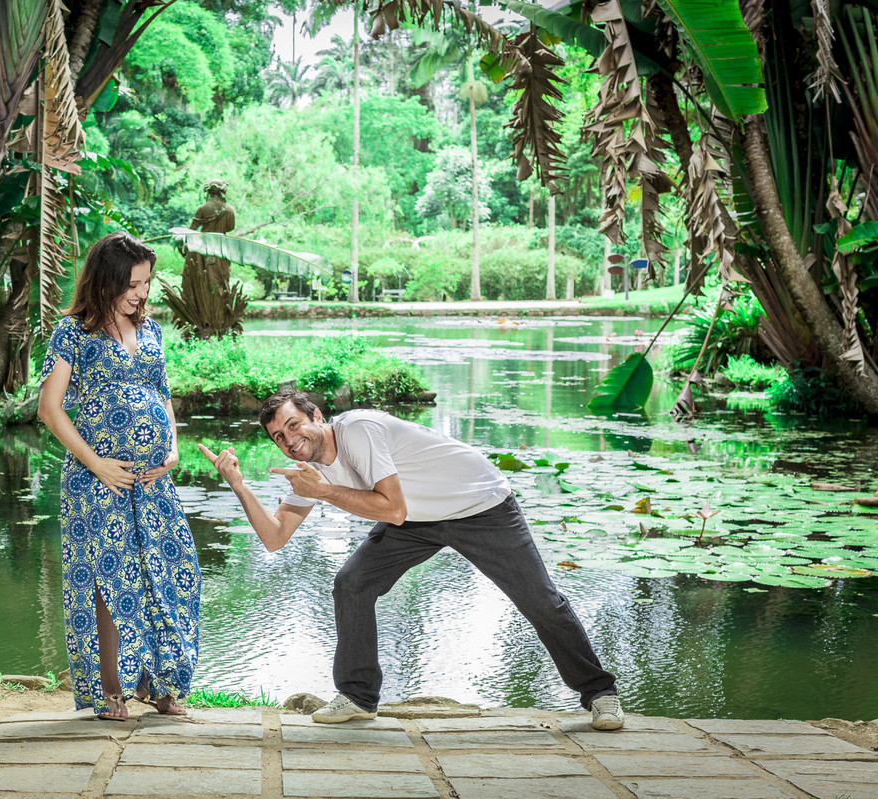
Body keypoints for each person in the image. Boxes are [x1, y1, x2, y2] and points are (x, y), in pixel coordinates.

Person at [198, 390, 623, 730]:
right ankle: (358, 697)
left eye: (294, 425)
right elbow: (274, 538)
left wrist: (324, 492)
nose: (291, 441)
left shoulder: (358, 430)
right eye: (279, 437)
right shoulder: (308, 471)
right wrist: (237, 484)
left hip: (479, 506)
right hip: (418, 519)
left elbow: (393, 509)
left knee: (539, 600)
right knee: (352, 583)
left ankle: (600, 693)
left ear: (317, 416)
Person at [38, 232, 200, 721]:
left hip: (153, 480)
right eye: (132, 284)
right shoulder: (73, 332)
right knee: (110, 585)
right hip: (99, 480)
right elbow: (50, 409)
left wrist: (171, 447)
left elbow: (163, 395)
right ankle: (112, 693)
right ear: (106, 280)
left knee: (169, 575)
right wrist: (96, 463)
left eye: (146, 282)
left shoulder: (149, 330)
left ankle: (163, 686)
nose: (141, 293)